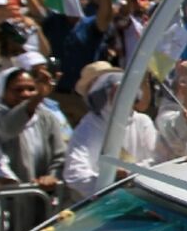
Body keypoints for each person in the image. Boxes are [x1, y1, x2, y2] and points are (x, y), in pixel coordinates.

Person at [0, 67, 65, 231]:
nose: (26, 94)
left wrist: (52, 176)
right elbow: (9, 128)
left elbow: (60, 156)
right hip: (8, 202)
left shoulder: (47, 118)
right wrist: (36, 99)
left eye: (31, 89)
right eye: (18, 89)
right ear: (3, 92)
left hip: (40, 199)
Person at [62, 68, 157, 201]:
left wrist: (128, 173)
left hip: (140, 199)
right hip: (100, 204)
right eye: (116, 92)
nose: (123, 98)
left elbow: (158, 160)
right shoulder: (88, 127)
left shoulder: (142, 122)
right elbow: (74, 173)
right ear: (103, 95)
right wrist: (107, 180)